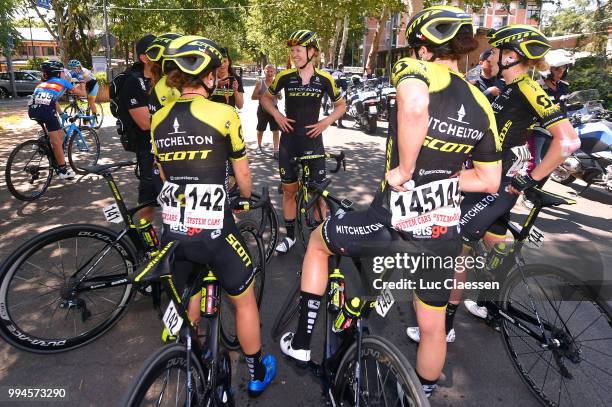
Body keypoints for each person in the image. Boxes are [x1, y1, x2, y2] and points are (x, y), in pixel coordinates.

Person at [279, 7, 502, 398]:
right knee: (433, 326)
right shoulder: (482, 103)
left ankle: (300, 342)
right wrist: (443, 178)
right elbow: (488, 180)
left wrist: (406, 170)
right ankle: (422, 393)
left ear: (423, 49)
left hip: (390, 222)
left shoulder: (414, 70)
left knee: (317, 242)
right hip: (442, 230)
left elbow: (415, 106)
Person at [428, 25, 580, 333]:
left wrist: (531, 180)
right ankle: (491, 303)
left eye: (497, 51)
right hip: (495, 177)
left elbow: (568, 141)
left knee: (458, 252)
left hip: (497, 180)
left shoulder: (527, 88)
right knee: (496, 242)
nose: (492, 56)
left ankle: (444, 327)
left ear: (510, 56)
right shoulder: (508, 87)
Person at [153, 35, 276, 397]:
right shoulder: (223, 114)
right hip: (216, 233)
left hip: (175, 231)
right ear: (207, 76)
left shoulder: (159, 118)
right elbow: (243, 174)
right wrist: (245, 198)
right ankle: (255, 371)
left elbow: (163, 175)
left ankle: (188, 356)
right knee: (244, 300)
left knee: (189, 290)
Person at [260, 30, 346, 254]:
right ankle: (289, 237)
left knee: (317, 194)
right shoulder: (284, 77)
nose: (294, 54)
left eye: (298, 50)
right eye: (292, 51)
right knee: (289, 192)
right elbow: (266, 98)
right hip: (289, 141)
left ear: (312, 52)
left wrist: (326, 122)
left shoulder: (325, 79)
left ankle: (321, 239)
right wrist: (277, 116)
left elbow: (341, 105)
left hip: (313, 142)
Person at [116, 33, 157, 222]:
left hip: (172, 145)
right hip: (148, 149)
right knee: (148, 201)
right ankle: (145, 244)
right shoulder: (134, 80)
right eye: (157, 52)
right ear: (144, 57)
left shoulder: (165, 79)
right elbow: (145, 123)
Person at [28, 60, 78, 180]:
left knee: (60, 134)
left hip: (32, 109)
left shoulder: (41, 85)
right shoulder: (62, 82)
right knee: (57, 142)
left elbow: (53, 100)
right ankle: (63, 170)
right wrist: (81, 81)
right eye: (61, 72)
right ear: (57, 73)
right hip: (46, 111)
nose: (63, 73)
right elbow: (81, 92)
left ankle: (43, 140)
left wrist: (61, 113)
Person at [528, 50, 574, 167]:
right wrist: (548, 110)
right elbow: (529, 110)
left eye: (563, 69)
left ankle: (538, 185)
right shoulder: (536, 86)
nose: (561, 72)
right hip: (539, 130)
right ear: (548, 69)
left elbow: (565, 106)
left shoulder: (563, 87)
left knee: (549, 164)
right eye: (557, 69)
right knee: (534, 163)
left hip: (556, 132)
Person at [252, 64, 282, 158]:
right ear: (264, 71)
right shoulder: (259, 83)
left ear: (274, 72)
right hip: (262, 109)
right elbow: (253, 97)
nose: (269, 73)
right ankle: (259, 146)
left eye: (271, 71)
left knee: (276, 130)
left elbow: (280, 97)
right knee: (260, 129)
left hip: (274, 108)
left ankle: (276, 150)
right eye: (267, 71)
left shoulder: (276, 83)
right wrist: (265, 96)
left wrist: (278, 94)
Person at [67, 59, 100, 126]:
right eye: (71, 68)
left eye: (74, 68)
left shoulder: (84, 72)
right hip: (83, 83)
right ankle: (82, 109)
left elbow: (82, 84)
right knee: (76, 93)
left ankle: (94, 119)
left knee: (91, 101)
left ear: (79, 67)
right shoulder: (72, 72)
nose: (72, 70)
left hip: (93, 85)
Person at [331, 63, 347, 128]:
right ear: (342, 68)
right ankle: (339, 124)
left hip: (332, 92)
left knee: (334, 108)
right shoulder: (342, 74)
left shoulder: (333, 74)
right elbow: (344, 86)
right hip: (340, 93)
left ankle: (332, 122)